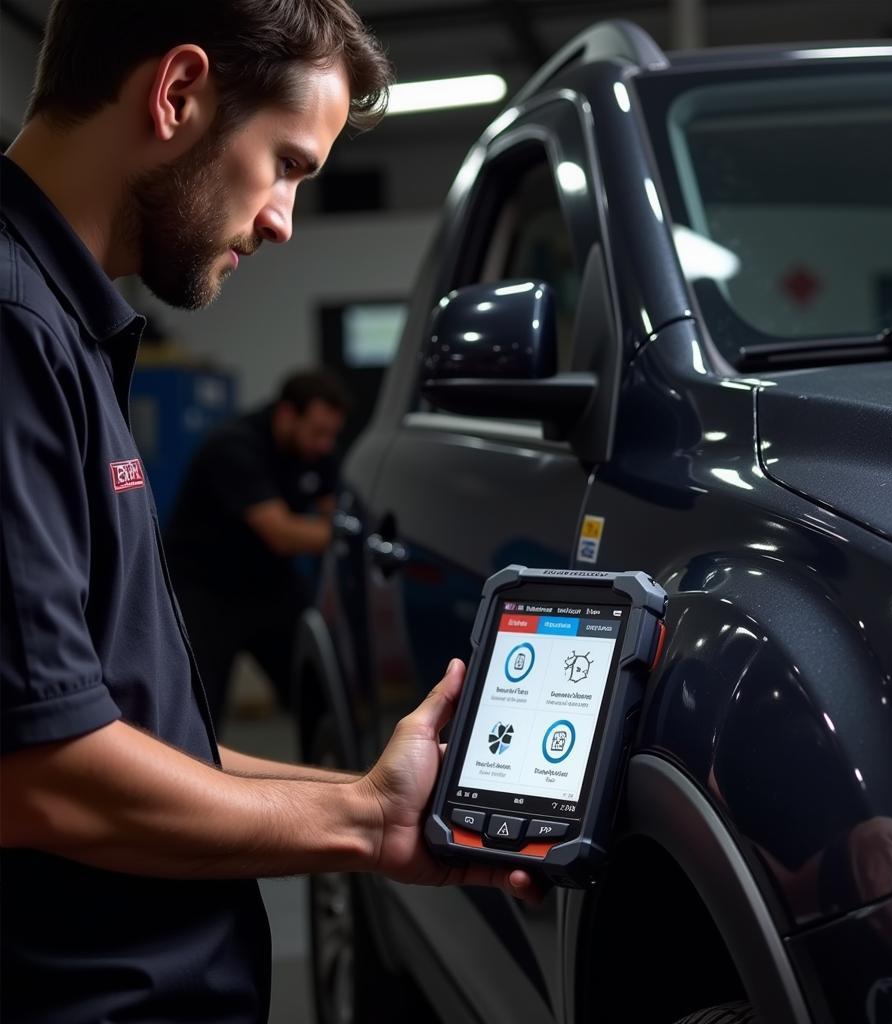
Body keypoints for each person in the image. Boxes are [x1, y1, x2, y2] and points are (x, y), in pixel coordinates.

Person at [0, 3, 536, 1023]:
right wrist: (363, 824)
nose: (285, 218)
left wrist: (366, 795)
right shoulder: (13, 327)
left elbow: (125, 731)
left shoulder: (62, 326)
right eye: (286, 163)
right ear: (177, 94)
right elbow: (38, 776)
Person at [166, 369, 349, 726]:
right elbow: (282, 534)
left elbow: (333, 515)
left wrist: (335, 530)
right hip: (206, 589)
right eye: (318, 432)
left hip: (269, 584)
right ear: (286, 415)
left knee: (318, 691)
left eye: (331, 435)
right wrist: (346, 535)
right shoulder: (233, 447)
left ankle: (329, 769)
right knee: (198, 712)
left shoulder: (317, 451)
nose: (325, 444)